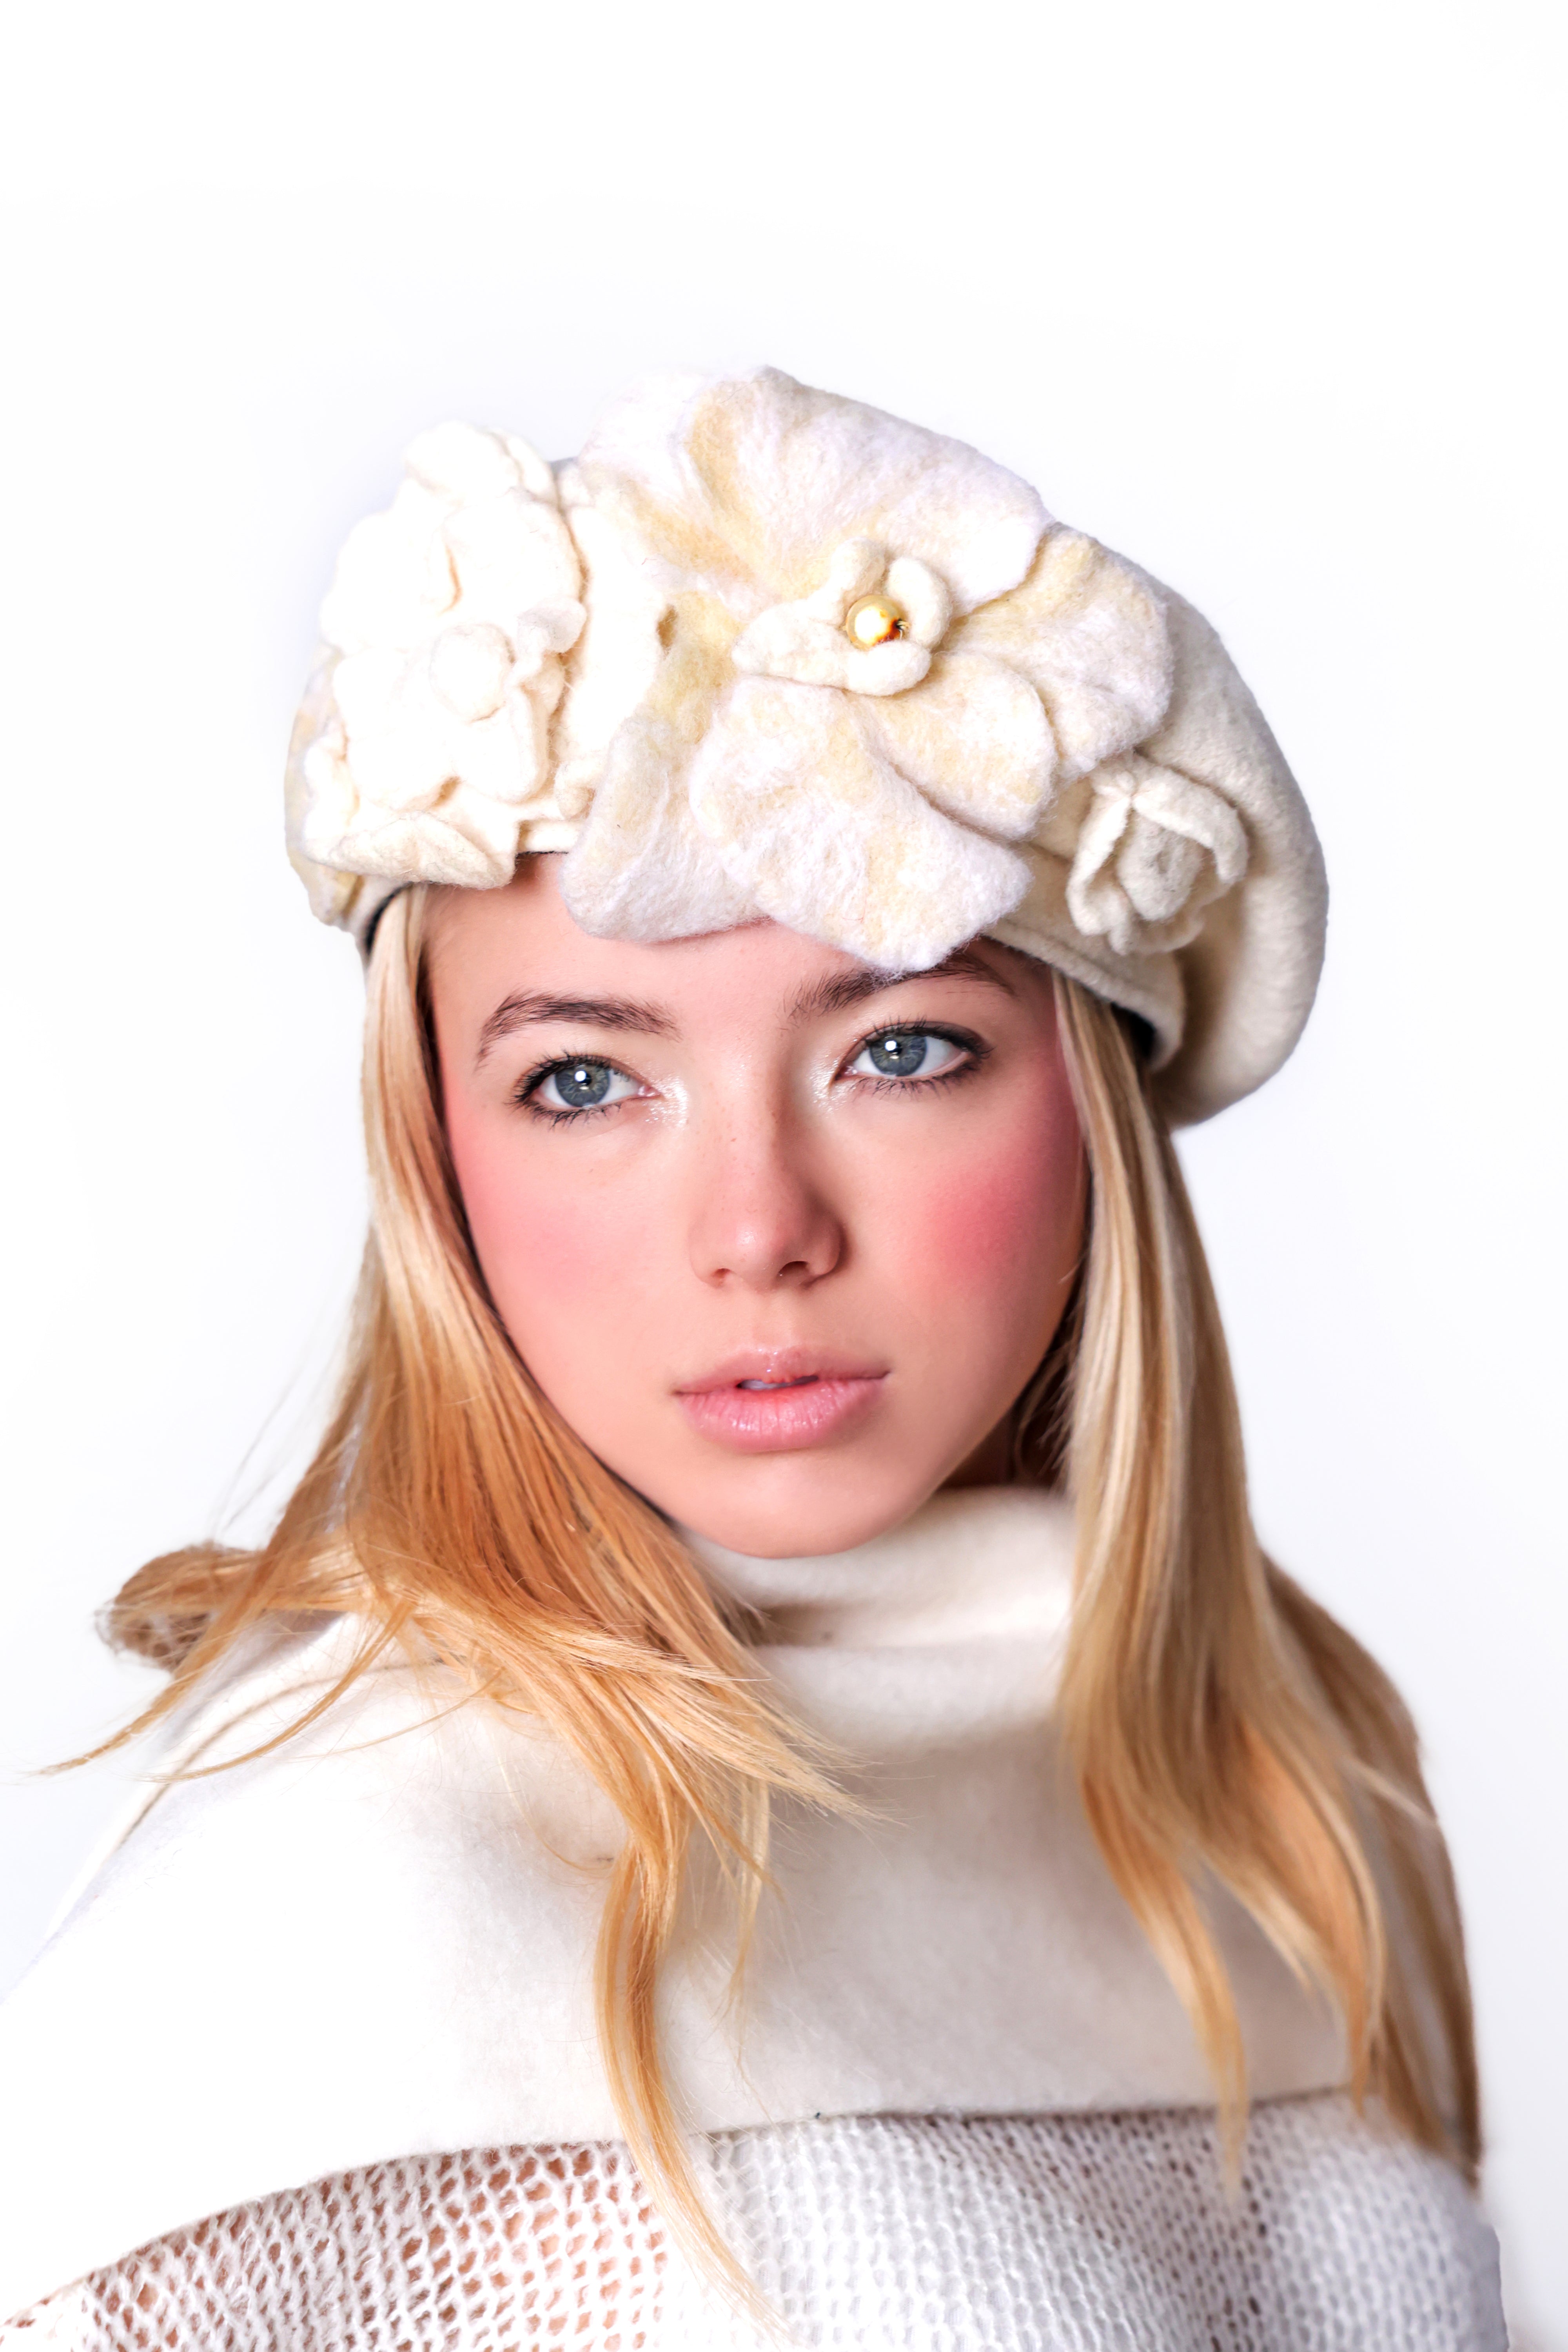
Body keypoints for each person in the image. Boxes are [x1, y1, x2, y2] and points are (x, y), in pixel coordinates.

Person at [0, 368, 1505, 2347]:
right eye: (583, 1080)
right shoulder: (328, 1907)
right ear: (436, 1153)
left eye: (900, 1050)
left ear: (1094, 1112)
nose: (755, 1227)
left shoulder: (1285, 1800)